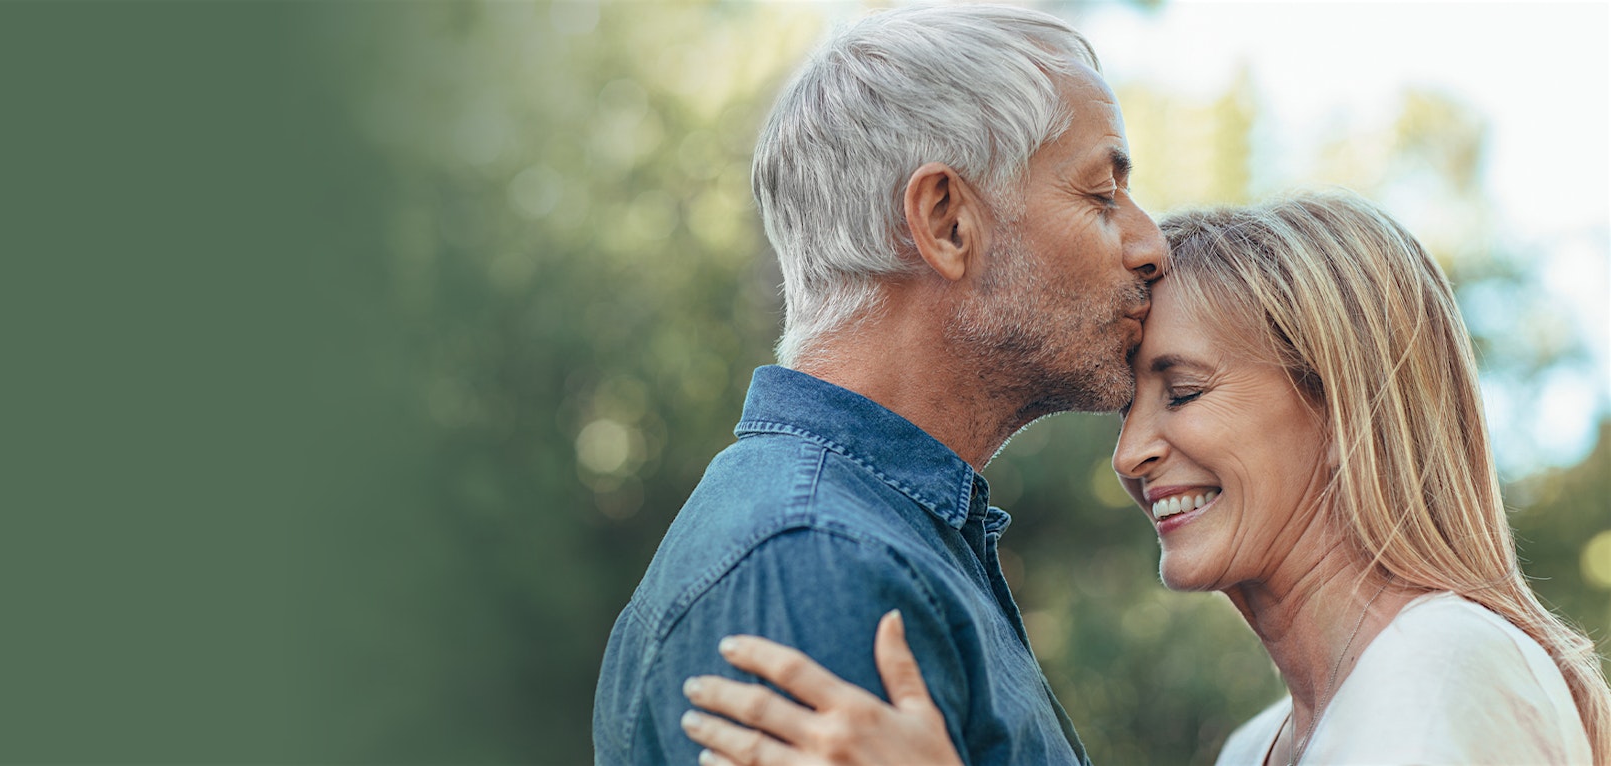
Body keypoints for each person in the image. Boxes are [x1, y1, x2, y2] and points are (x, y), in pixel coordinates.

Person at [676, 192, 1611, 765]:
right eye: (1131, 406)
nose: (1129, 454)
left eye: (1187, 392)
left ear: (1343, 409)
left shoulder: (1447, 665)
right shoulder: (1257, 748)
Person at [591, 5, 1165, 764]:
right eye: (1100, 195)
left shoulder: (880, 537)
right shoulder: (816, 562)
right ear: (946, 221)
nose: (1151, 244)